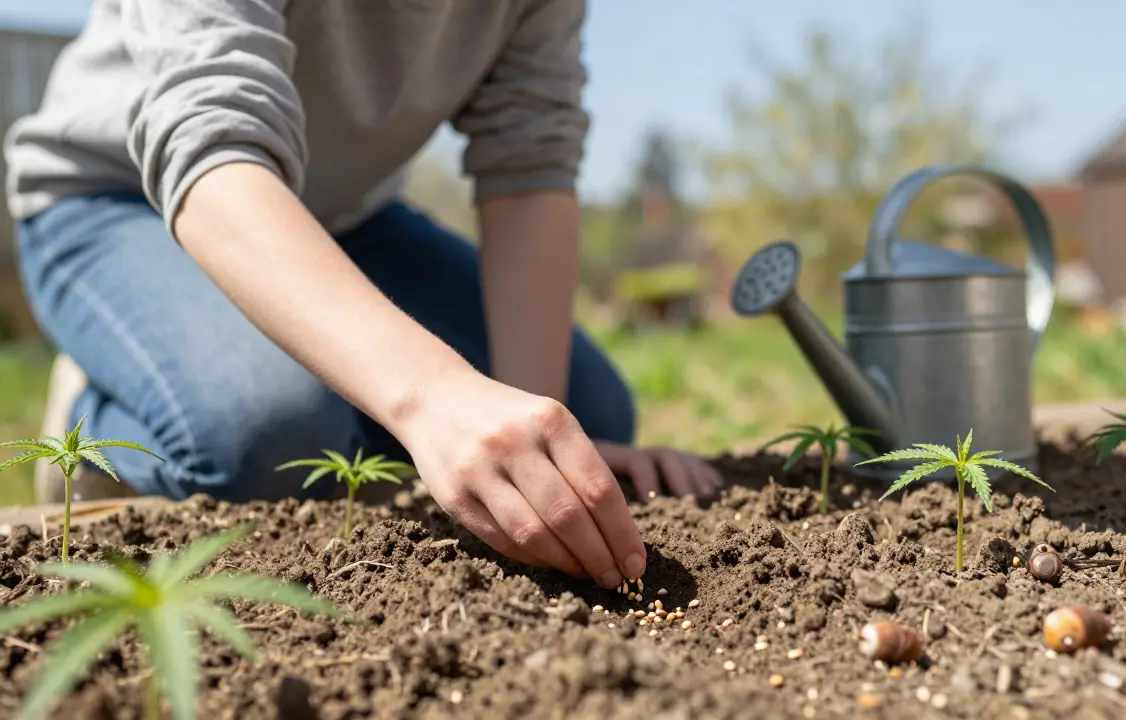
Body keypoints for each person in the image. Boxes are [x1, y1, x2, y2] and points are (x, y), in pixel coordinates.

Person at [3, 0, 723, 591]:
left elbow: (528, 158)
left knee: (585, 417)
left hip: (344, 217)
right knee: (274, 437)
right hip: (122, 201)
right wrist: (429, 396)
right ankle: (98, 414)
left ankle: (329, 385)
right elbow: (210, 139)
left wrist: (529, 438)